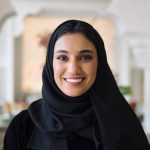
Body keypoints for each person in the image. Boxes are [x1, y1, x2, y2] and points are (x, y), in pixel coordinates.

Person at [3, 20, 150, 150]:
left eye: (85, 57)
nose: (73, 69)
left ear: (100, 63)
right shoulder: (23, 125)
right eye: (62, 57)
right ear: (50, 63)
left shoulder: (122, 125)